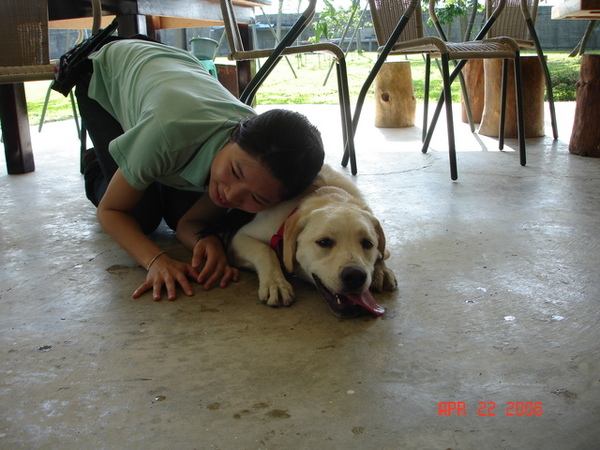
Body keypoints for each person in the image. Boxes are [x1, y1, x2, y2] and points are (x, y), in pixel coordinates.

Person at [68, 38, 325, 302]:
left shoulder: (250, 161)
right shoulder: (167, 132)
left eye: (258, 199)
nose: (231, 196)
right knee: (141, 214)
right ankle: (98, 162)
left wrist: (206, 240)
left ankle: (145, 165)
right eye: (235, 172)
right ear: (236, 132)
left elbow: (188, 224)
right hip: (106, 71)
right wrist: (156, 260)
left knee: (180, 211)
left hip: (170, 83)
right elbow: (110, 212)